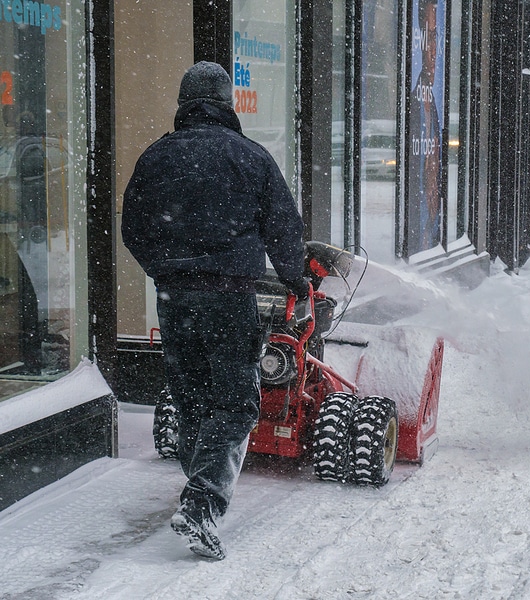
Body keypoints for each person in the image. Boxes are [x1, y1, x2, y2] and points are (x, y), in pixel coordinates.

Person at [121, 62, 307, 560]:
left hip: (175, 297)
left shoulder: (156, 157)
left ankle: (197, 486)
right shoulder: (250, 157)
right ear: (227, 103)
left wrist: (167, 270)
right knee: (236, 403)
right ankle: (202, 503)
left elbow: (133, 228)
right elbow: (284, 230)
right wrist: (297, 281)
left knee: (191, 396)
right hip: (229, 297)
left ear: (184, 104)